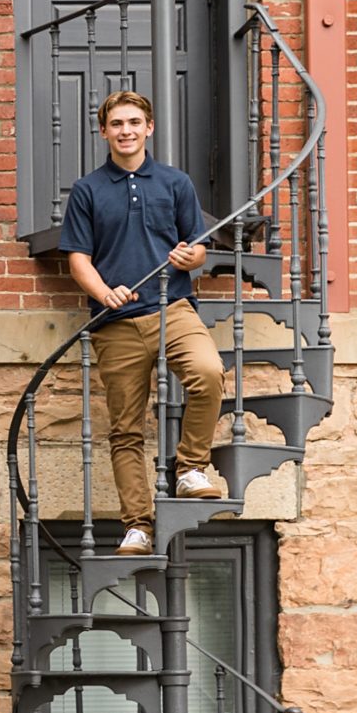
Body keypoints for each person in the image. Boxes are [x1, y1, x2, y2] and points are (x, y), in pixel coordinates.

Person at [59, 88, 227, 556]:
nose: (126, 131)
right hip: (116, 323)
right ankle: (138, 524)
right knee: (126, 430)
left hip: (171, 307)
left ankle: (191, 467)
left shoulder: (175, 183)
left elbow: (198, 249)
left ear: (148, 128)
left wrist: (188, 256)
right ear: (104, 131)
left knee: (209, 373)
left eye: (134, 122)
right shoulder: (88, 190)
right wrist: (103, 293)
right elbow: (79, 259)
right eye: (117, 124)